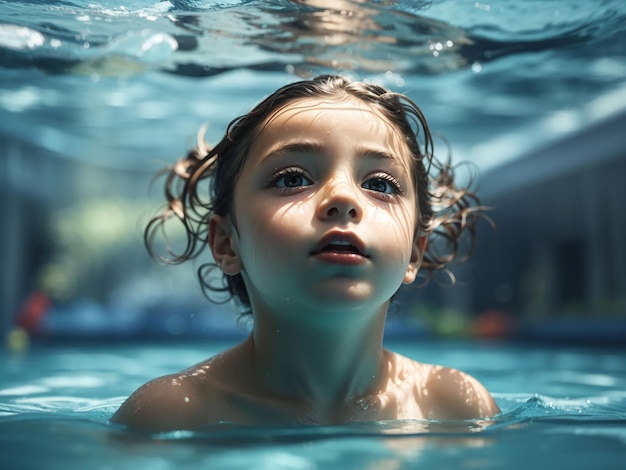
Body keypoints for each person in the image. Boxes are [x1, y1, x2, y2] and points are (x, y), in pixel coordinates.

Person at [111, 74, 499, 432]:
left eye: (380, 184)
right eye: (293, 179)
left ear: (414, 252)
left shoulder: (454, 406)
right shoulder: (172, 413)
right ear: (227, 243)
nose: (343, 198)